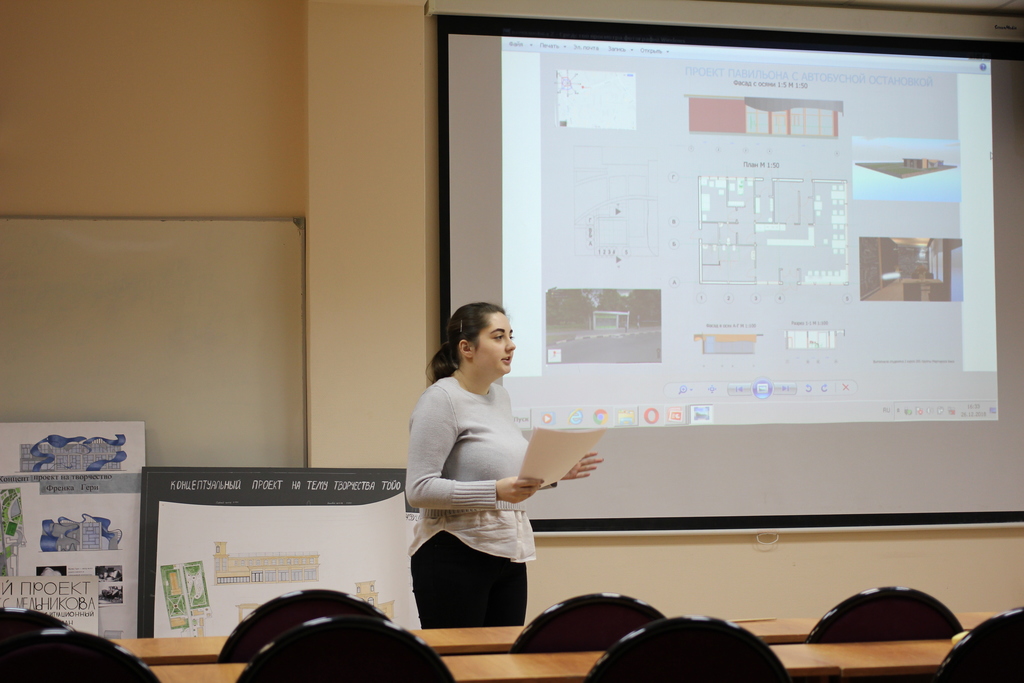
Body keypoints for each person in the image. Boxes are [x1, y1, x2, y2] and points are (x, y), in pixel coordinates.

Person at [406, 302, 601, 629]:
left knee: (503, 656)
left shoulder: (500, 397)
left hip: (508, 550)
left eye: (510, 336)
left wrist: (552, 473)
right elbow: (419, 489)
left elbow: (506, 473)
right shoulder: (441, 399)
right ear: (467, 348)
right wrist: (495, 491)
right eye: (498, 337)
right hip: (454, 551)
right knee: (461, 659)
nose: (511, 345)